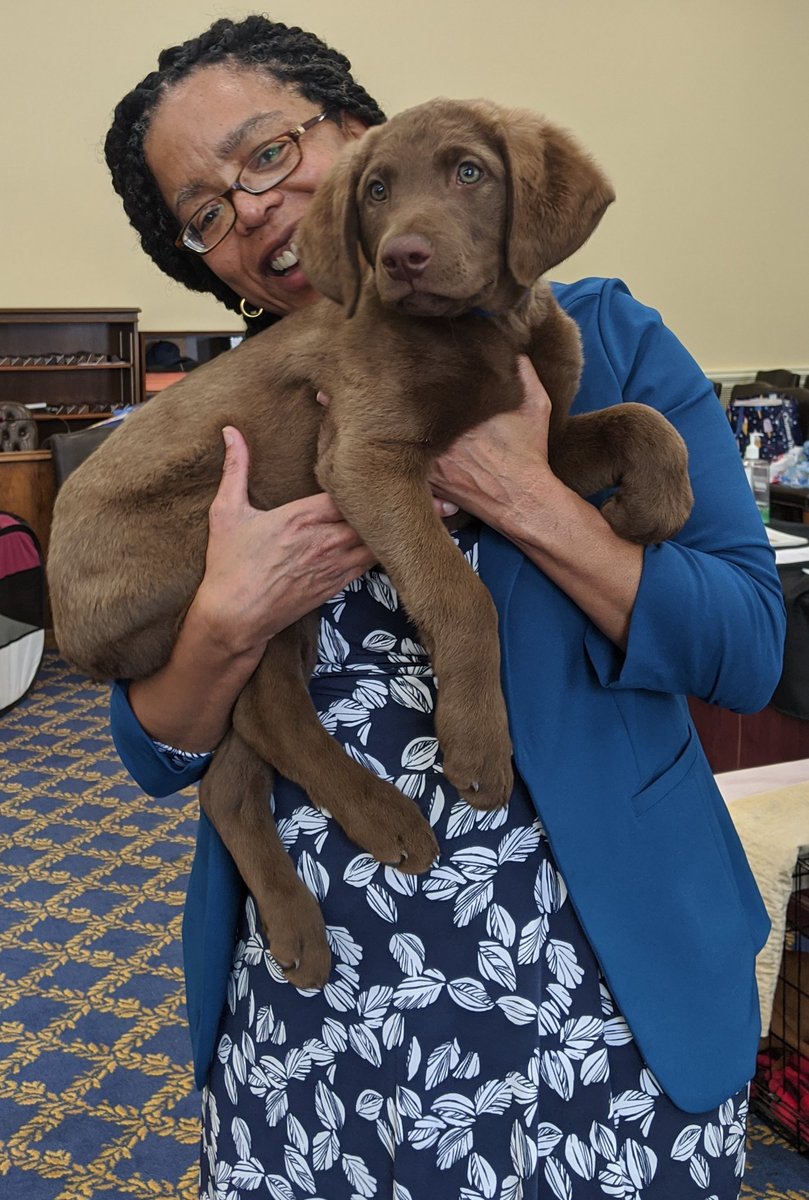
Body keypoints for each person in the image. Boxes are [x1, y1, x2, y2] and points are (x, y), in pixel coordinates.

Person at [104, 15, 785, 1199]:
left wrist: (526, 493)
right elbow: (151, 750)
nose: (250, 210)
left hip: (594, 965)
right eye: (204, 211)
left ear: (359, 131)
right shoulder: (226, 420)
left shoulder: (613, 340)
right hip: (321, 993)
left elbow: (746, 647)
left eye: (267, 154)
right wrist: (223, 618)